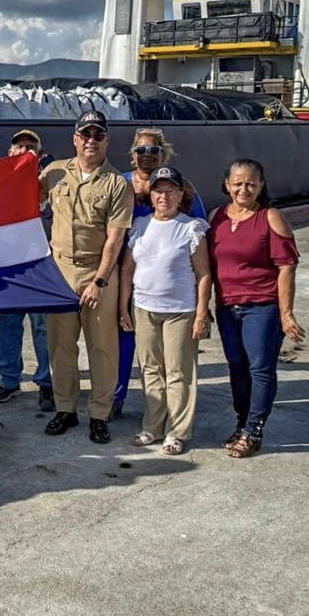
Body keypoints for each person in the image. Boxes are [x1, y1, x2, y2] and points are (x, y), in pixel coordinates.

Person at [39, 111, 134, 443]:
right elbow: (20, 201)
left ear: (106, 140)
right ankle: (65, 409)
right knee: (61, 347)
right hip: (60, 271)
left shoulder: (117, 184)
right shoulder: (53, 174)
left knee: (102, 349)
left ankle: (99, 414)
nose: (91, 140)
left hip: (98, 272)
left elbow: (115, 238)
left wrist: (99, 281)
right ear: (74, 139)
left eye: (98, 135)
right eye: (85, 134)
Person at [208, 158, 304, 458]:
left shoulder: (270, 217)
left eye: (250, 183)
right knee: (237, 368)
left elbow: (287, 266)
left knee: (260, 369)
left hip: (261, 306)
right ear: (227, 185)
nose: (243, 189)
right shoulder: (217, 217)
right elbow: (207, 266)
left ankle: (254, 430)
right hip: (227, 307)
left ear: (261, 184)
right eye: (237, 183)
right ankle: (241, 423)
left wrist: (286, 314)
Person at [114, 128, 207, 419]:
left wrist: (202, 303)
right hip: (127, 276)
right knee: (126, 346)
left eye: (153, 151)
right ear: (133, 155)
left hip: (171, 284)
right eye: (141, 150)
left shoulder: (181, 187)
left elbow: (199, 233)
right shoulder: (121, 185)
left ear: (162, 154)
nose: (147, 155)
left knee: (173, 358)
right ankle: (117, 399)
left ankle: (173, 415)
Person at [0, 129, 54, 412]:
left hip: (43, 266)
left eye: (31, 147)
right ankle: (9, 380)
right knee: (6, 326)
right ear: (10, 153)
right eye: (19, 146)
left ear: (38, 155)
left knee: (44, 328)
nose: (24, 150)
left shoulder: (51, 183)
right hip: (9, 269)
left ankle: (47, 383)